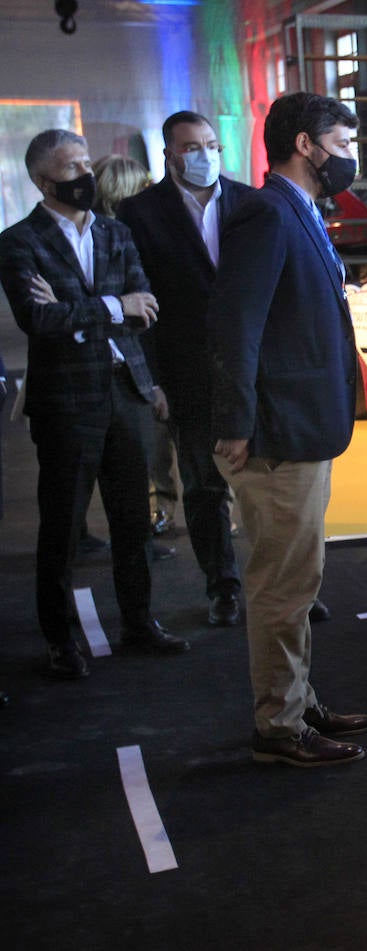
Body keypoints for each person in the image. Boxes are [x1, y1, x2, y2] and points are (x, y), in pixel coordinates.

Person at [208, 92, 367, 767]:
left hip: (303, 429)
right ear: (305, 145)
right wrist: (235, 426)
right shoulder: (266, 214)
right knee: (282, 584)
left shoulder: (298, 212)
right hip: (275, 437)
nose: (348, 156)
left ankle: (298, 698)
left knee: (299, 579)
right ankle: (278, 723)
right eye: (340, 142)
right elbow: (235, 328)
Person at [0, 129, 188, 680]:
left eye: (86, 161)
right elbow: (40, 320)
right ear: (42, 180)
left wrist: (87, 313)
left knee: (132, 521)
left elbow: (144, 308)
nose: (86, 174)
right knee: (61, 527)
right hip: (66, 403)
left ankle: (139, 622)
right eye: (71, 166)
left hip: (123, 392)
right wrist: (111, 305)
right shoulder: (19, 243)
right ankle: (60, 639)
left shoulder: (114, 233)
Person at [118, 111, 252, 627]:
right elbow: (140, 302)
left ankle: (279, 584)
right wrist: (150, 378)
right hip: (185, 371)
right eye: (192, 146)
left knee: (265, 486)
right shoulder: (138, 213)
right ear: (169, 152)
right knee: (203, 486)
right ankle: (223, 586)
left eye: (211, 144)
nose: (204, 154)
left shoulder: (247, 202)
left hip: (250, 370)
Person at [92, 153, 178, 561]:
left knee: (164, 440)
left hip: (156, 347)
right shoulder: (105, 236)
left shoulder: (141, 229)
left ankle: (161, 511)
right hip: (132, 355)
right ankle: (156, 512)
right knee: (149, 442)